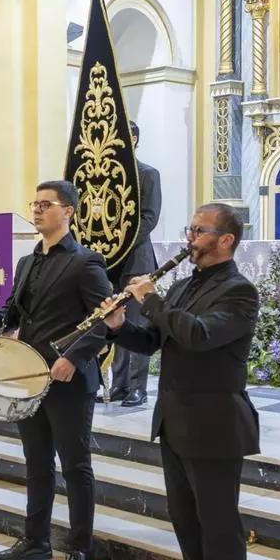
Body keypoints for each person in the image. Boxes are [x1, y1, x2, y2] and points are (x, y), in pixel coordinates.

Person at [102, 202, 259, 560]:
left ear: (225, 240)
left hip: (215, 423)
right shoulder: (188, 284)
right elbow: (155, 340)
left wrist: (150, 300)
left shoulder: (239, 292)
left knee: (219, 524)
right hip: (175, 419)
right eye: (190, 229)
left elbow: (198, 335)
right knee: (186, 519)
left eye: (199, 231)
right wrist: (117, 327)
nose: (190, 238)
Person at [0, 181, 114, 560]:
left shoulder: (86, 262)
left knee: (76, 467)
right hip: (29, 378)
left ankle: (81, 551)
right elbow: (16, 314)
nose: (36, 210)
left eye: (45, 204)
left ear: (67, 211)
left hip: (69, 379)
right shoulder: (29, 261)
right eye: (33, 203)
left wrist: (74, 357)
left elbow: (105, 320)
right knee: (37, 463)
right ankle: (36, 540)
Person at [109, 121, 162, 407]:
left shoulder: (148, 174)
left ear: (134, 138)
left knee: (137, 324)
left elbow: (150, 218)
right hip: (111, 264)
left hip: (137, 260)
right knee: (115, 324)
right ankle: (118, 385)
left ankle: (137, 388)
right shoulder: (108, 178)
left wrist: (121, 242)